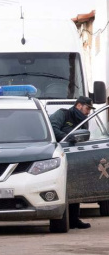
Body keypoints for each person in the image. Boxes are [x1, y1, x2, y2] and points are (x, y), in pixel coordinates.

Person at [50, 96, 95, 229]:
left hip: (75, 157)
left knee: (75, 187)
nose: (88, 112)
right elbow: (52, 128)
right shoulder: (63, 114)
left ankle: (74, 219)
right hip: (58, 156)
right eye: (87, 108)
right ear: (79, 106)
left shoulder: (83, 122)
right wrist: (67, 138)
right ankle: (61, 220)